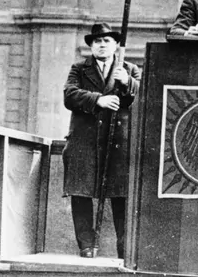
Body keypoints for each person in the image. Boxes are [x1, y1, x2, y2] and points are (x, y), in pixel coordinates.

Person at [62, 23, 142, 259]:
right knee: (82, 193)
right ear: (91, 46)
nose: (102, 45)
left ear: (116, 45)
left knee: (121, 196)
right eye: (97, 41)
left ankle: (124, 249)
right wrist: (99, 100)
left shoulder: (130, 69)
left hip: (118, 142)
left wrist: (128, 82)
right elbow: (69, 95)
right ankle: (86, 245)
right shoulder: (79, 68)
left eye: (107, 41)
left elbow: (146, 96)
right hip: (85, 141)